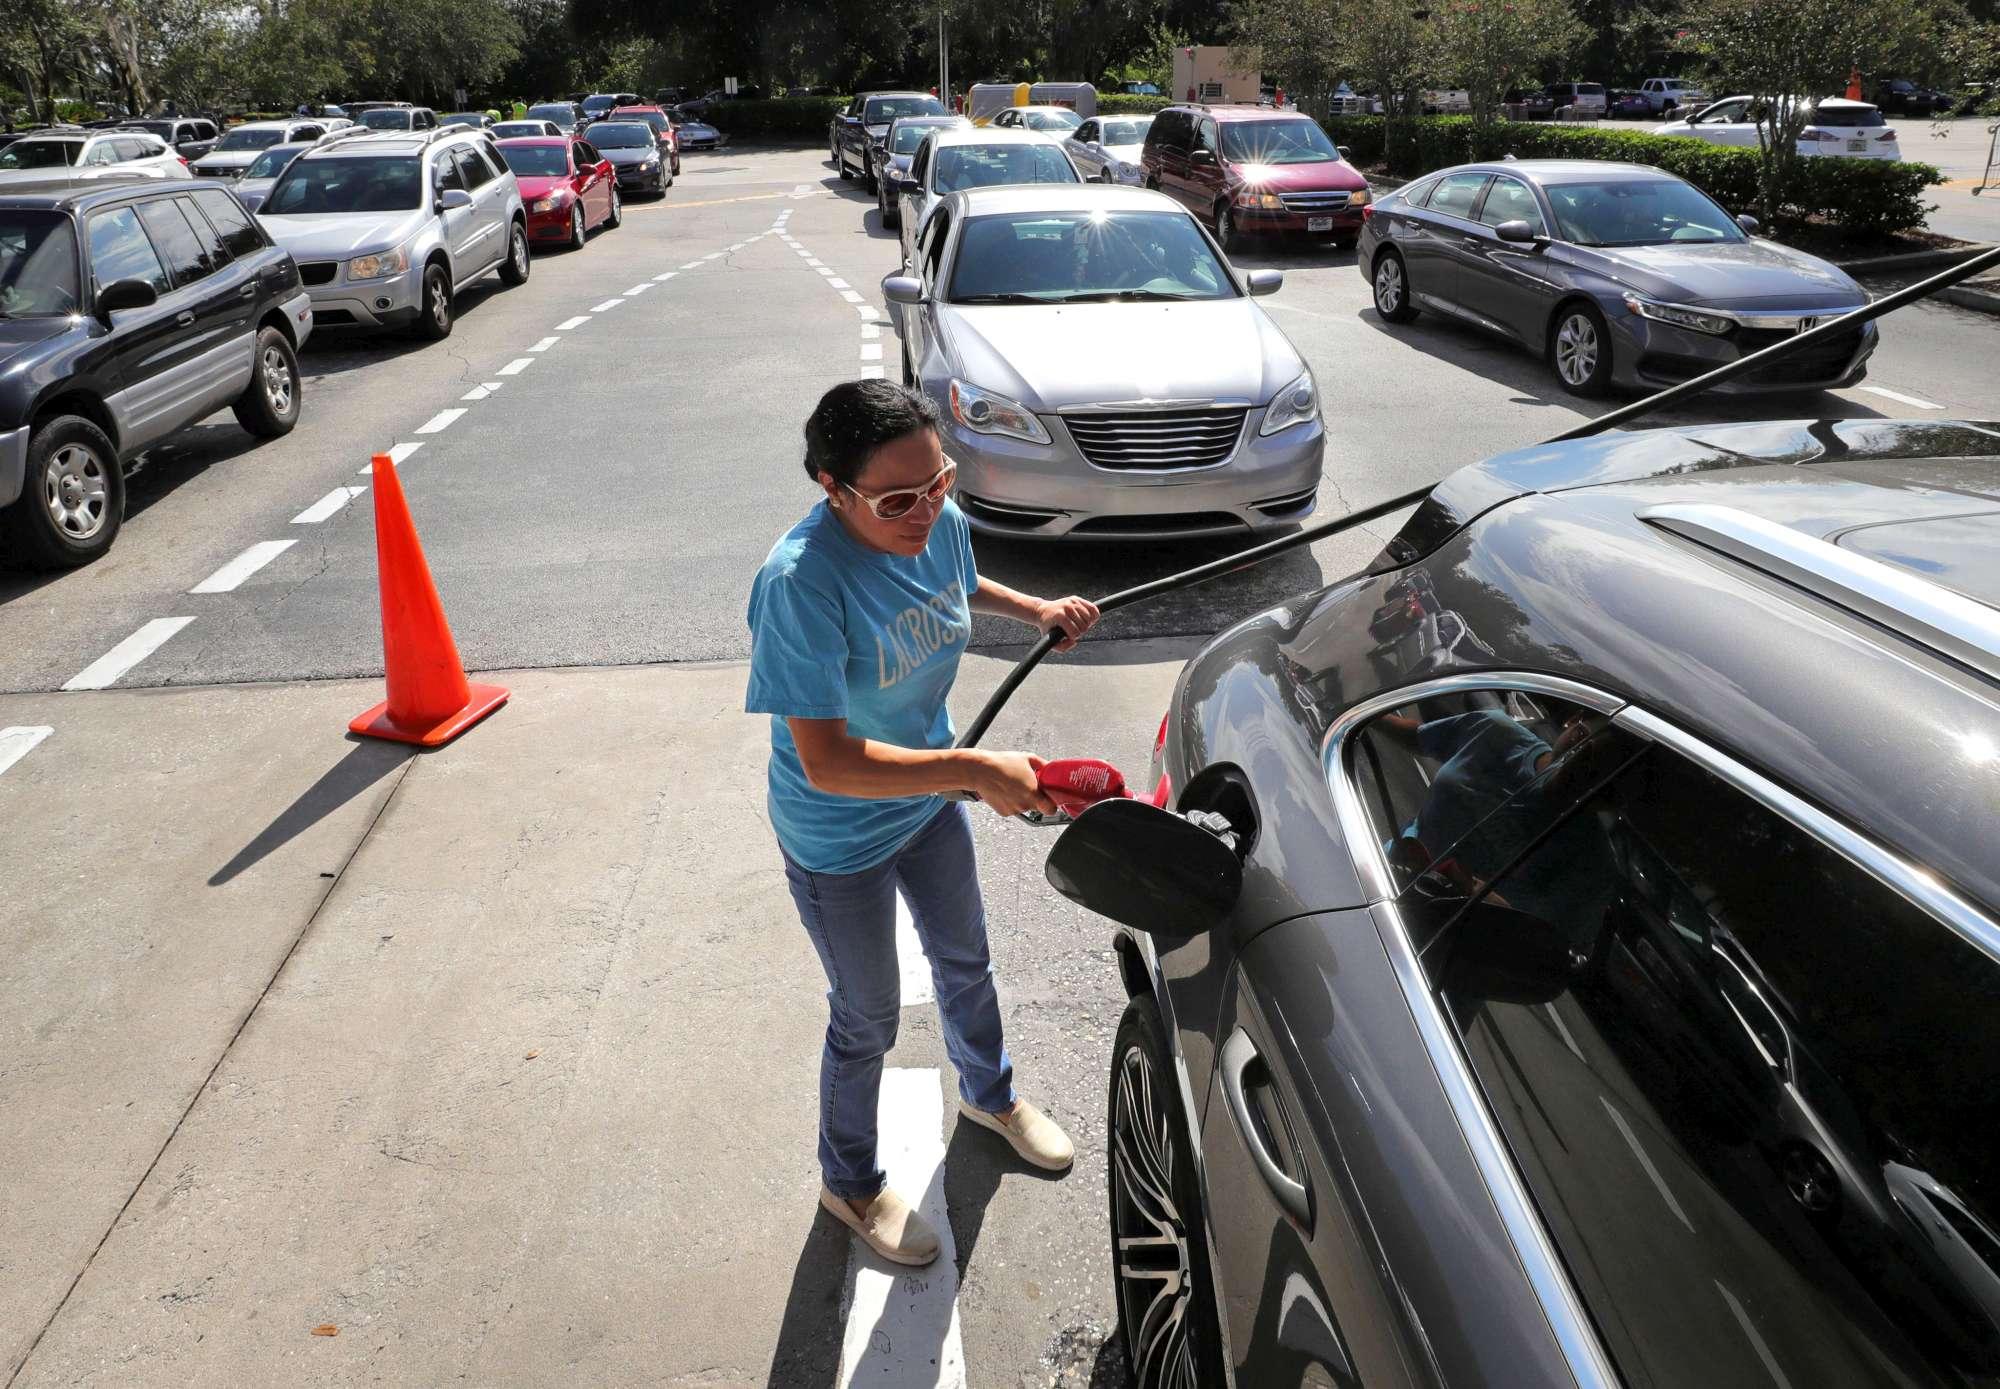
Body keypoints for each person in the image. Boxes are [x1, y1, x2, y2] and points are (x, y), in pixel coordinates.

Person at [746, 381, 1099, 1267]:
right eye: (896, 499)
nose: (925, 510)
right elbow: (827, 760)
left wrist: (1035, 611)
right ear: (833, 487)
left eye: (937, 483)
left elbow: (951, 573)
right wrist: (977, 771)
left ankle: (990, 1096)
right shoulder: (798, 585)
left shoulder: (934, 518)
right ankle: (851, 1181)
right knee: (866, 1015)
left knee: (965, 960)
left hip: (929, 803)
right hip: (839, 839)